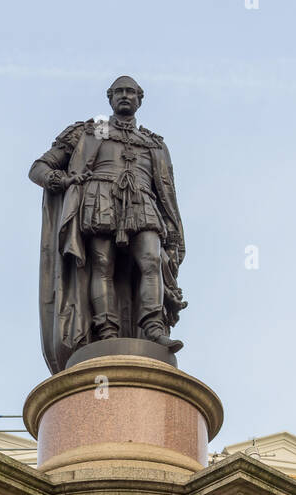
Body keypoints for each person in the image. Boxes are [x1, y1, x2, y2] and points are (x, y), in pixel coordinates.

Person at [29, 76, 187, 372]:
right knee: (102, 264)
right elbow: (39, 167)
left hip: (143, 201)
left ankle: (154, 328)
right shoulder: (89, 132)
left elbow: (168, 193)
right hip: (99, 198)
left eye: (130, 92)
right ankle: (106, 332)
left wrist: (175, 235)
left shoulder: (154, 144)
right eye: (119, 92)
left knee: (151, 260)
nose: (125, 96)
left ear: (140, 98)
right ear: (109, 98)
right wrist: (63, 180)